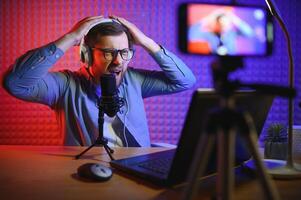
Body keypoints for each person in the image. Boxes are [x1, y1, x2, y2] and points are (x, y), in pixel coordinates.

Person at [3, 16, 196, 147]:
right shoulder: (64, 85)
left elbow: (185, 81)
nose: (118, 61)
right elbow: (15, 83)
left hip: (137, 170)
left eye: (124, 52)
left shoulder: (135, 80)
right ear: (87, 55)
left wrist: (145, 41)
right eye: (108, 53)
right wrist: (70, 38)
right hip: (86, 172)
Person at [188, 9, 254, 55]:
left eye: (225, 22)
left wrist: (233, 18)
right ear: (216, 23)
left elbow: (249, 33)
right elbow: (190, 35)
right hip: (215, 64)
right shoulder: (210, 35)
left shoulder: (233, 33)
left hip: (233, 62)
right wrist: (209, 18)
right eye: (220, 22)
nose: (223, 25)